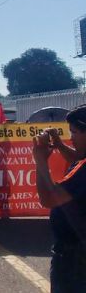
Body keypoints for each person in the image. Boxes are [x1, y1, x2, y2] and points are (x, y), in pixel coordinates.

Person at [32, 105, 86, 291]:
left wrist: (40, 160)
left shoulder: (83, 170)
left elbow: (49, 198)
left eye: (75, 132)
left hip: (74, 257)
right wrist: (60, 145)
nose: (71, 138)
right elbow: (78, 158)